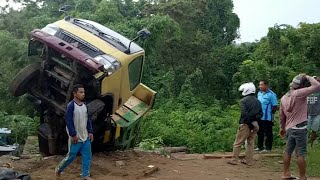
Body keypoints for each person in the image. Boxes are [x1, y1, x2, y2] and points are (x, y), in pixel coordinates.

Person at [280, 74, 320, 180]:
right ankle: (302, 177)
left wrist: (282, 128)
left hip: (289, 127)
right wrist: (307, 76)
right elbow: (317, 86)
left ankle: (285, 174)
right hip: (300, 128)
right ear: (302, 85)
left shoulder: (284, 97)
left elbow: (282, 115)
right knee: (301, 153)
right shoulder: (300, 93)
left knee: (287, 151)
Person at [55, 84, 94, 180]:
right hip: (75, 137)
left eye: (83, 92)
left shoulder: (85, 106)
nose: (83, 94)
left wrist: (90, 132)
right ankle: (59, 169)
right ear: (74, 94)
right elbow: (68, 121)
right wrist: (73, 135)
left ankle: (85, 175)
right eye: (81, 92)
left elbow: (88, 120)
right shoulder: (71, 106)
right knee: (71, 156)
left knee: (87, 156)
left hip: (85, 136)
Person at [228, 82, 262, 166]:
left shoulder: (243, 101)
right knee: (250, 142)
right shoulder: (258, 101)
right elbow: (260, 114)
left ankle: (234, 159)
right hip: (255, 124)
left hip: (246, 124)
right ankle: (249, 160)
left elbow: (244, 114)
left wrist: (249, 123)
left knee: (238, 142)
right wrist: (254, 121)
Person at [256, 80, 278, 152]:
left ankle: (268, 147)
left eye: (261, 85)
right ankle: (260, 146)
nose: (260, 86)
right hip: (259, 116)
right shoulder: (259, 93)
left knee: (268, 132)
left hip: (267, 117)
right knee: (259, 132)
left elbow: (274, 106)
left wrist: (271, 113)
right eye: (259, 85)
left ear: (266, 85)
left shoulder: (271, 94)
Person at [307, 76, 320, 147]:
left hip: (317, 114)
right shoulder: (308, 90)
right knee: (305, 130)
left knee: (314, 130)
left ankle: (311, 145)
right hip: (308, 114)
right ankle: (304, 144)